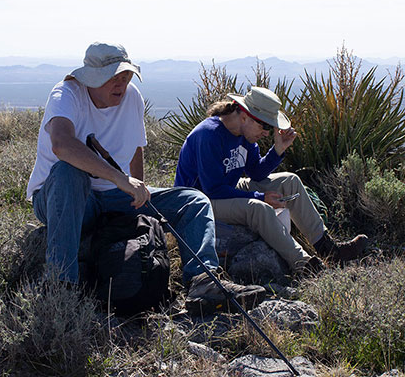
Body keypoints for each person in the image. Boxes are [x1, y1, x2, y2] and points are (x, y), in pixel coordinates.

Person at [26, 42, 264, 315]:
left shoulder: (131, 97)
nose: (121, 84)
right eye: (113, 77)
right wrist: (121, 179)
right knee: (69, 172)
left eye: (125, 77)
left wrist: (136, 193)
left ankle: (203, 281)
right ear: (92, 77)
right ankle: (62, 285)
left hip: (113, 195)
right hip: (62, 197)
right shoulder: (66, 94)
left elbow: (135, 148)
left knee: (194, 201)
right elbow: (62, 145)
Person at [174, 87, 367, 274]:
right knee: (257, 208)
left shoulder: (243, 135)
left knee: (289, 180)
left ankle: (330, 251)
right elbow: (213, 189)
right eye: (264, 125)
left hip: (222, 189)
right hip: (198, 202)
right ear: (244, 116)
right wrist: (259, 196)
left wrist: (278, 150)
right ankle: (306, 266)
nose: (266, 132)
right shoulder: (208, 136)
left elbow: (256, 173)